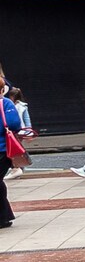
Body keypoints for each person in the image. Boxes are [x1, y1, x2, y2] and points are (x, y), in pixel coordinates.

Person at [0, 86, 23, 227]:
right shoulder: (6, 103)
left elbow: (14, 124)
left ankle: (4, 217)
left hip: (3, 150)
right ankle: (4, 216)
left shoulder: (5, 103)